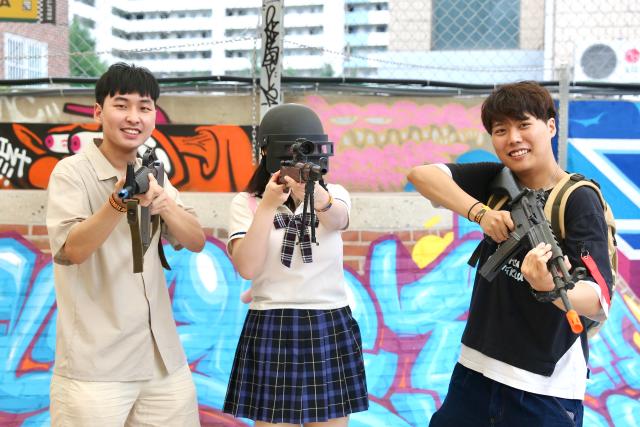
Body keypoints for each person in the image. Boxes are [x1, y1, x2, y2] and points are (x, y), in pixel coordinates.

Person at [407, 81, 613, 427]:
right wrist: (482, 214)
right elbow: (421, 175)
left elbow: (597, 299)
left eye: (523, 125)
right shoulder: (496, 180)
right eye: (501, 130)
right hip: (475, 369)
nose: (513, 138)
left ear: (550, 126)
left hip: (543, 387)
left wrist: (548, 286)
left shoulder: (577, 199)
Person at [46, 62, 205, 426]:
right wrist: (119, 200)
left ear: (153, 117)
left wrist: (163, 201)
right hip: (95, 366)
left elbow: (195, 240)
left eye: (144, 107)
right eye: (122, 105)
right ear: (99, 112)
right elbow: (72, 251)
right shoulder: (71, 173)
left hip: (163, 361)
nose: (133, 116)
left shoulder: (152, 174)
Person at [222, 104, 369, 426]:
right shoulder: (245, 203)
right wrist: (267, 207)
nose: (300, 160)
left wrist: (316, 197)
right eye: (291, 152)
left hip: (328, 320)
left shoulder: (334, 194)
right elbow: (246, 267)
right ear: (265, 152)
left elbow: (340, 219)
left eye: (309, 151)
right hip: (271, 321)